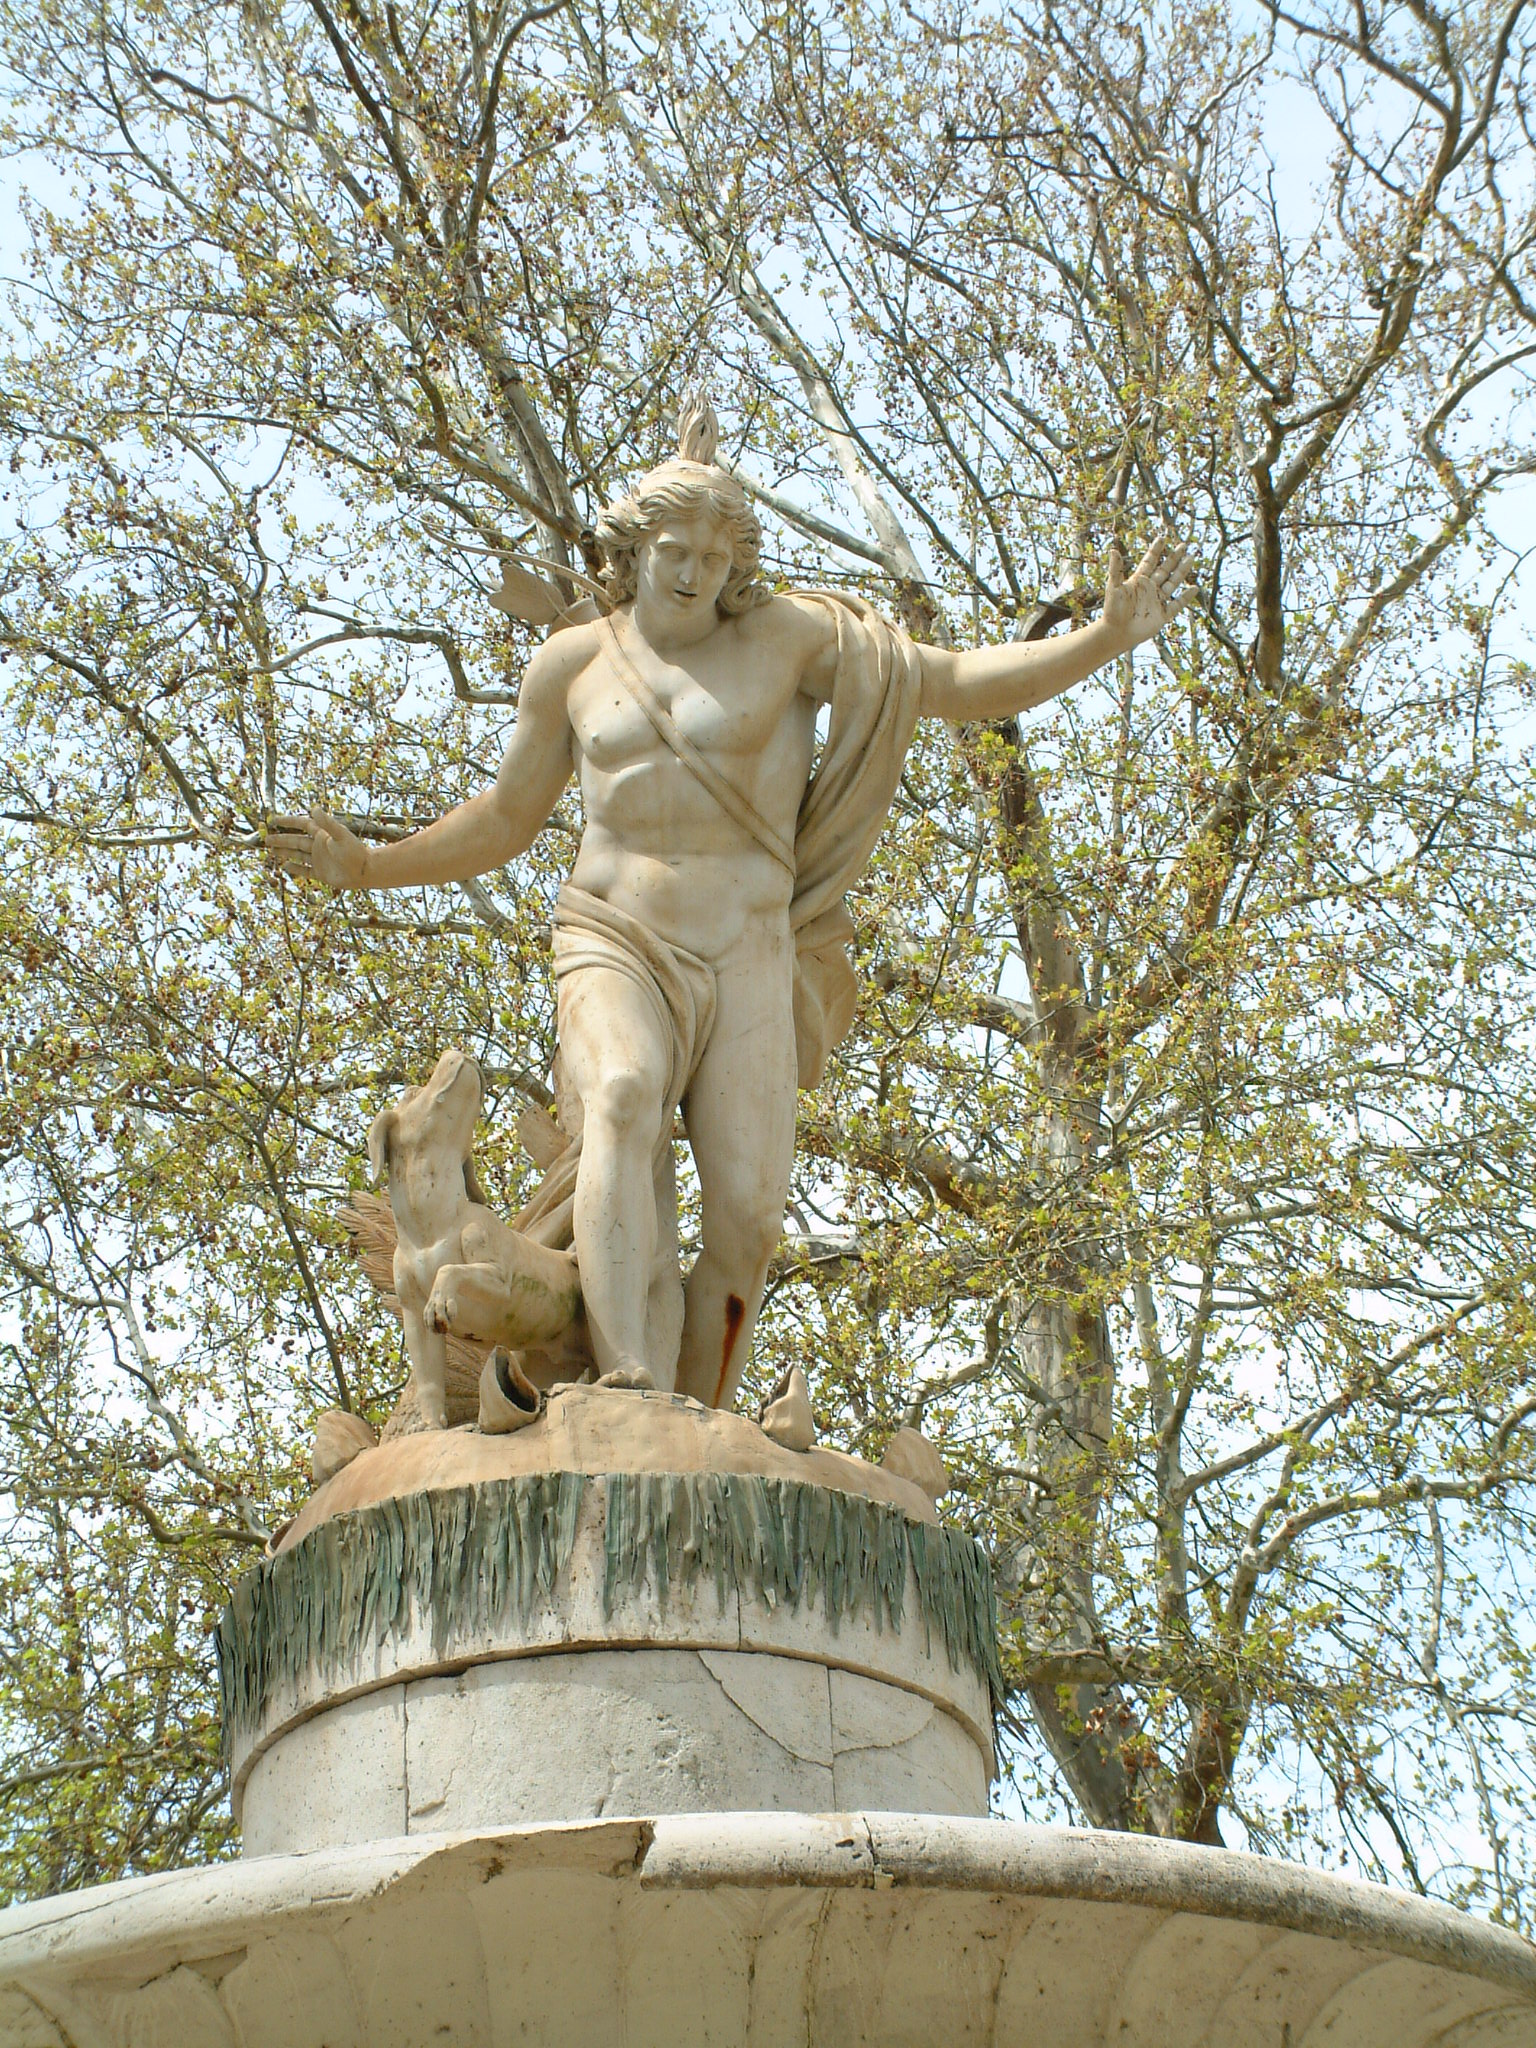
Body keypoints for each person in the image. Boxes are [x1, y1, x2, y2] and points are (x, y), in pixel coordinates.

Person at [279, 406, 1190, 1411]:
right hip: (613, 934)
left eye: (715, 558)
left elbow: (949, 682)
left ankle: (697, 1418)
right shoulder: (573, 664)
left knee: (751, 1220)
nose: (693, 574)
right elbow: (503, 817)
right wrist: (370, 865)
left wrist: (1104, 638)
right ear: (634, 547)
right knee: (623, 1093)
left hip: (746, 949)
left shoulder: (789, 639)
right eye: (675, 551)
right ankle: (624, 1380)